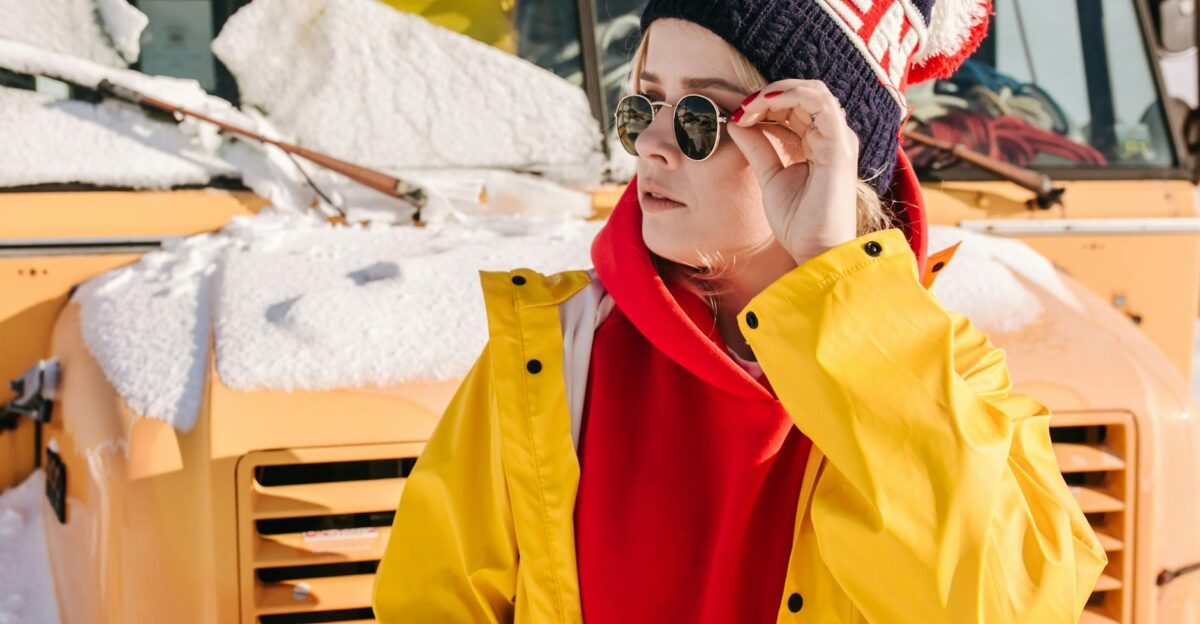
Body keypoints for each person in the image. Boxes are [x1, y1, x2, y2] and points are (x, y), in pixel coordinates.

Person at [372, 0, 1108, 621]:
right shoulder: (551, 359)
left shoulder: (946, 378)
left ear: (820, 151)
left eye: (704, 115)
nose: (653, 144)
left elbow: (1000, 603)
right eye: (643, 104)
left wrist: (832, 275)